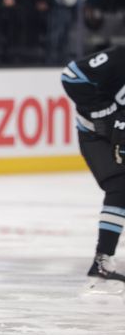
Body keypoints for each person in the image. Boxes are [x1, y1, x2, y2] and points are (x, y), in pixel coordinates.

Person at [61, 45, 125, 291]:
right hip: (94, 135)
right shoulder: (118, 58)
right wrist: (103, 113)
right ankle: (102, 260)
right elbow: (71, 76)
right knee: (119, 186)